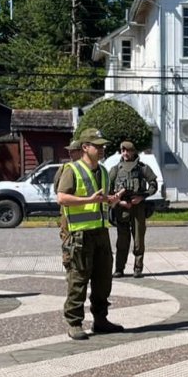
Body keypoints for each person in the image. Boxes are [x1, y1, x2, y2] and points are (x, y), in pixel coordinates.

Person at [56, 128, 123, 340]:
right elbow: (62, 198)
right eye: (97, 146)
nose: (102, 149)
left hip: (101, 233)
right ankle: (74, 322)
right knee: (78, 279)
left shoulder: (103, 171)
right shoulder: (72, 169)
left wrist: (111, 199)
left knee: (103, 280)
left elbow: (99, 199)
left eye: (103, 146)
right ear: (85, 147)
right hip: (79, 235)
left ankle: (100, 320)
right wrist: (90, 201)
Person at [110, 141, 159, 278]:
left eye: (128, 150)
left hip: (138, 208)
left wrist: (142, 197)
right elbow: (108, 190)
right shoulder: (115, 169)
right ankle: (119, 269)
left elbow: (153, 185)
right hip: (122, 209)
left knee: (138, 240)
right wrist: (120, 202)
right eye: (123, 150)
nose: (125, 153)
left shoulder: (143, 168)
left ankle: (138, 268)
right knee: (122, 241)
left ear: (133, 151)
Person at [57, 137, 81, 272]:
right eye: (69, 151)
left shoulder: (87, 168)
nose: (70, 154)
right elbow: (58, 189)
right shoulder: (66, 168)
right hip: (67, 209)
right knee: (67, 237)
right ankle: (68, 265)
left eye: (73, 151)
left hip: (84, 211)